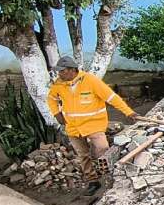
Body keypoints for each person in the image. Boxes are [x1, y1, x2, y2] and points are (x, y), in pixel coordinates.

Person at [45, 56, 139, 195]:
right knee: (83, 155)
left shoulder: (91, 81)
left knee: (102, 149)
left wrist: (129, 112)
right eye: (59, 72)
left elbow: (111, 97)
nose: (59, 74)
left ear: (72, 70)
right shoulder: (58, 84)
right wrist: (56, 113)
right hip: (73, 127)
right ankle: (92, 181)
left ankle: (110, 178)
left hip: (93, 125)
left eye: (62, 71)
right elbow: (51, 99)